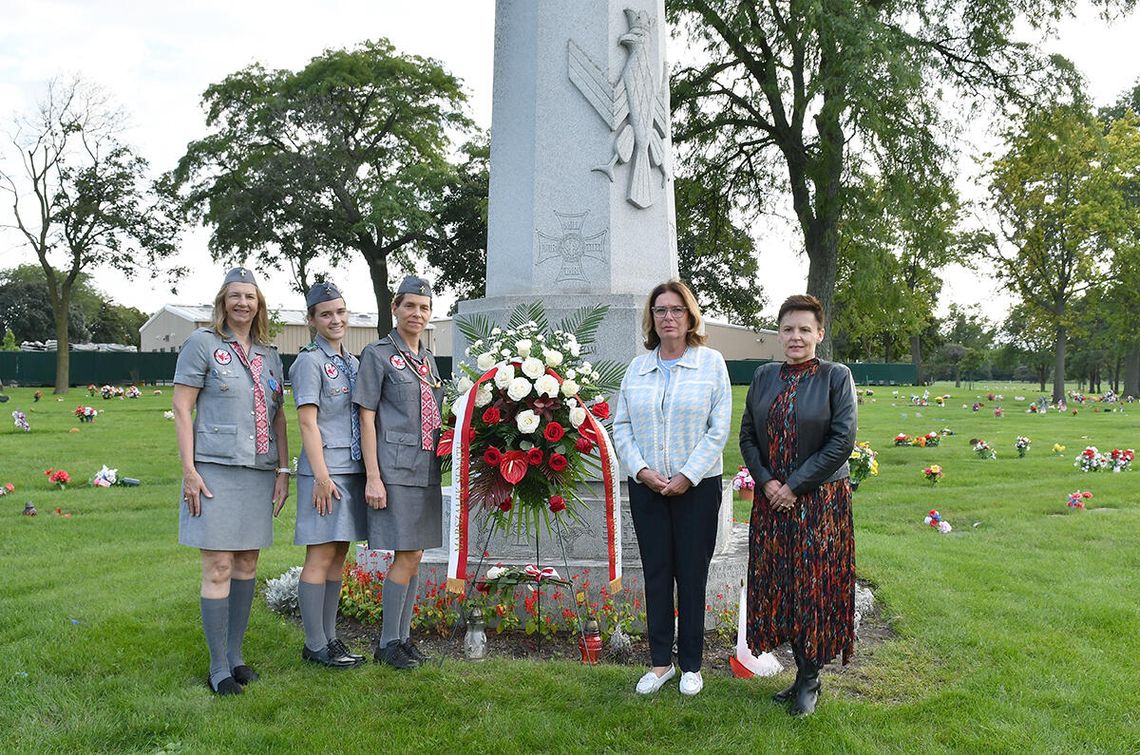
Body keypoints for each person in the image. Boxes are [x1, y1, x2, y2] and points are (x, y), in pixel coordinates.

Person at [173, 267, 290, 696]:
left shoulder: (269, 355)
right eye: (235, 296)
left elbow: (279, 415)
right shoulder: (201, 345)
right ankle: (217, 665)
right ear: (222, 301)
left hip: (259, 471)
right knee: (219, 565)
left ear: (259, 305)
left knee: (247, 564)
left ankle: (237, 655)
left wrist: (282, 470)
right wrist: (189, 470)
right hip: (214, 470)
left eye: (251, 297)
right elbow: (182, 408)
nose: (243, 303)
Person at [739, 294, 857, 716]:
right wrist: (768, 482)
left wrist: (793, 486)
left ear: (819, 334)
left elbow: (842, 441)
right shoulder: (764, 376)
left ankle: (811, 678)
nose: (796, 336)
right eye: (788, 328)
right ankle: (798, 672)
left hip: (819, 504)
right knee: (783, 587)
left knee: (814, 589)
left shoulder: (835, 377)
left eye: (805, 329)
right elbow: (748, 436)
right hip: (772, 504)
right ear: (779, 333)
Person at [612, 280, 732, 697]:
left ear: (690, 316)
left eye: (676, 310)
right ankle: (661, 663)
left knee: (692, 574)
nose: (668, 317)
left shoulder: (711, 363)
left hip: (697, 488)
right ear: (652, 318)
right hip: (648, 488)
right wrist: (642, 470)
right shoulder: (637, 368)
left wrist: (688, 474)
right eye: (661, 310)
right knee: (657, 574)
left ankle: (692, 665)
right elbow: (621, 425)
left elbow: (718, 429)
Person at [354, 276, 443, 670]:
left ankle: (402, 639)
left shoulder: (427, 358)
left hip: (426, 468)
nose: (417, 314)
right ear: (395, 308)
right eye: (410, 306)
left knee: (416, 553)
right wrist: (373, 475)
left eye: (424, 308)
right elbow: (366, 415)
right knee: (405, 553)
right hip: (395, 468)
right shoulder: (377, 354)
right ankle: (388, 642)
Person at [288, 282, 367, 669]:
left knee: (338, 555)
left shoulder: (352, 363)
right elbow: (307, 422)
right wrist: (320, 476)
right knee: (319, 555)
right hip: (325, 472)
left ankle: (331, 637)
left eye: (340, 312)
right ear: (312, 320)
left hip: (351, 470)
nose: (335, 320)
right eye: (326, 314)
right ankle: (314, 644)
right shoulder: (308, 362)